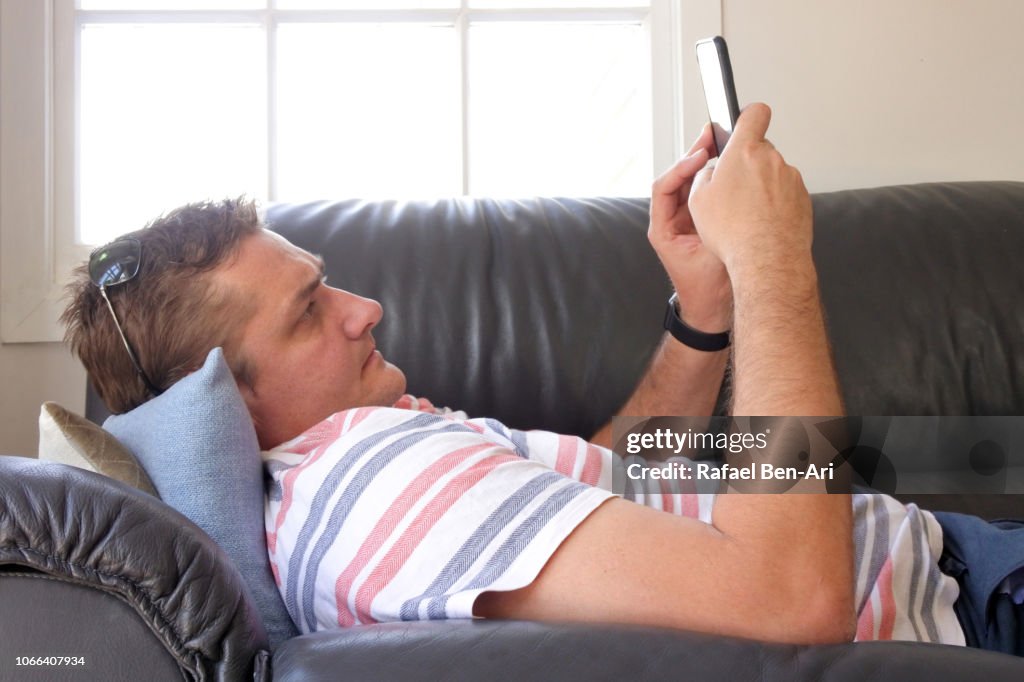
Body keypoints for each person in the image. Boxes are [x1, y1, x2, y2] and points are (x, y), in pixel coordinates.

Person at [61, 104, 1022, 653]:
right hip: (968, 604)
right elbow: (788, 603)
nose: (364, 309)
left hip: (946, 556)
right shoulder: (371, 485)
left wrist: (705, 311)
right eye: (310, 308)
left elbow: (596, 486)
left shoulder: (367, 482)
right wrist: (773, 259)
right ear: (231, 396)